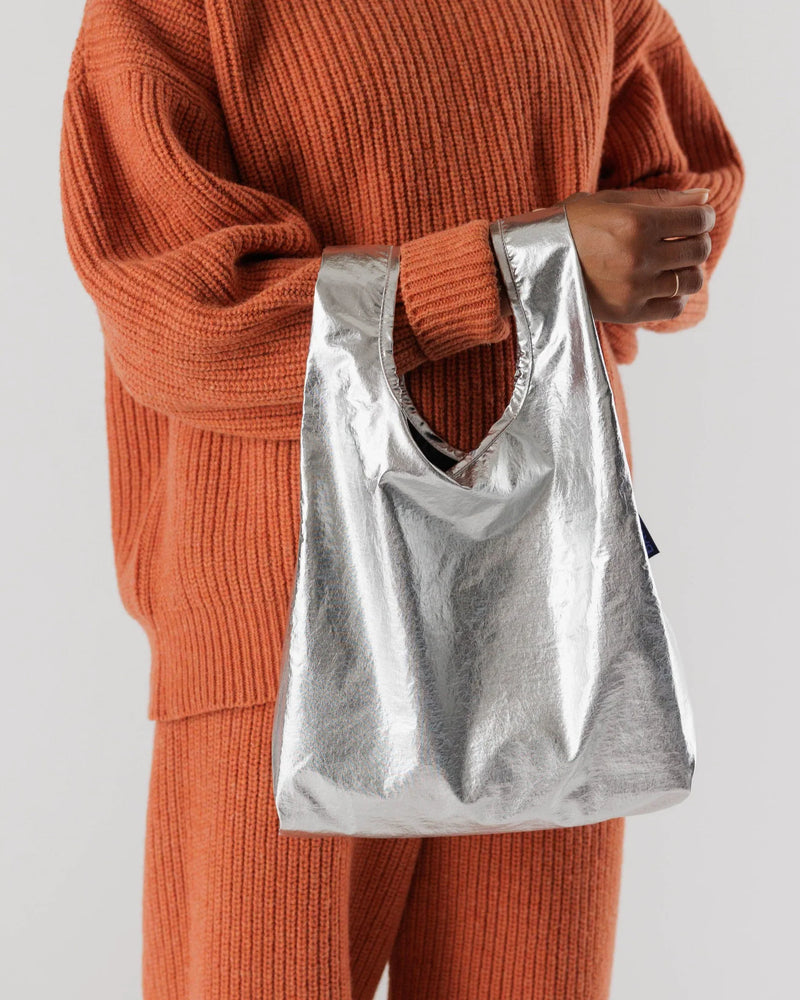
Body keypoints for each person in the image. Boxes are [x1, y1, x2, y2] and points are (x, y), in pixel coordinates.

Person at [59, 1, 744, 997]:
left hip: (546, 606)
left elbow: (684, 203)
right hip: (287, 625)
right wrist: (510, 270)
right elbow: (185, 321)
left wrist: (616, 258)